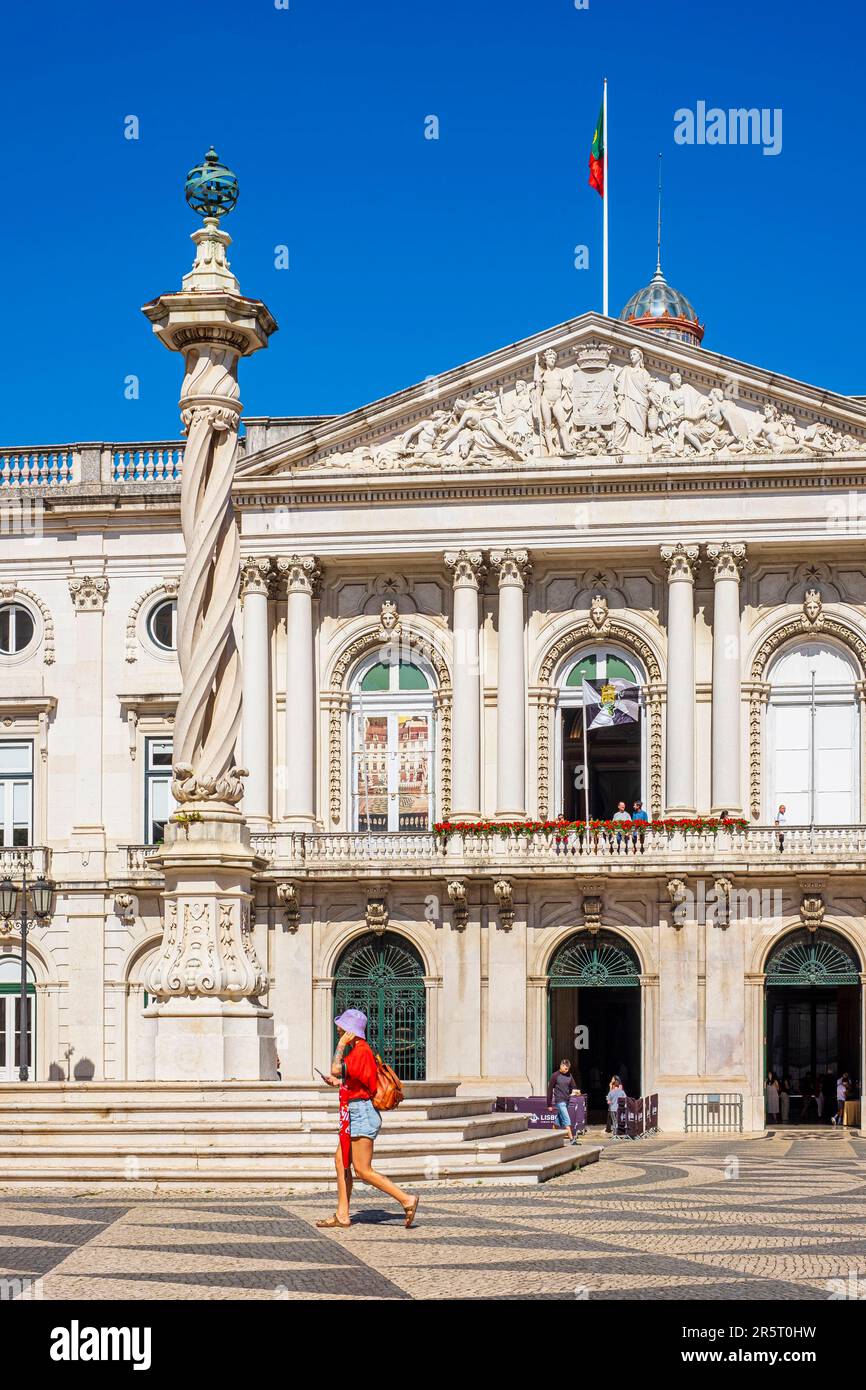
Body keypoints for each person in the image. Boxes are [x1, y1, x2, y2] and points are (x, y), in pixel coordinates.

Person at [316, 1009, 418, 1230]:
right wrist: (338, 1083)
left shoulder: (360, 1051)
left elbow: (335, 1068)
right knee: (341, 1161)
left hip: (362, 1113)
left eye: (342, 1027)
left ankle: (406, 1199)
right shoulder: (358, 1052)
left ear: (350, 1031)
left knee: (363, 1170)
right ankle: (342, 1214)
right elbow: (356, 1080)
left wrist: (341, 1045)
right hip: (355, 1111)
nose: (338, 1029)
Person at [547, 1058, 581, 1145]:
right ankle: (572, 1140)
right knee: (567, 1119)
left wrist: (575, 1091)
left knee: (558, 1121)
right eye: (565, 1068)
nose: (567, 1070)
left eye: (568, 1069)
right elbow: (550, 1090)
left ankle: (550, 1137)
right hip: (559, 1101)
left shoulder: (569, 1075)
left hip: (567, 1101)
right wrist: (549, 1104)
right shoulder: (555, 1075)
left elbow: (573, 1086)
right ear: (561, 1066)